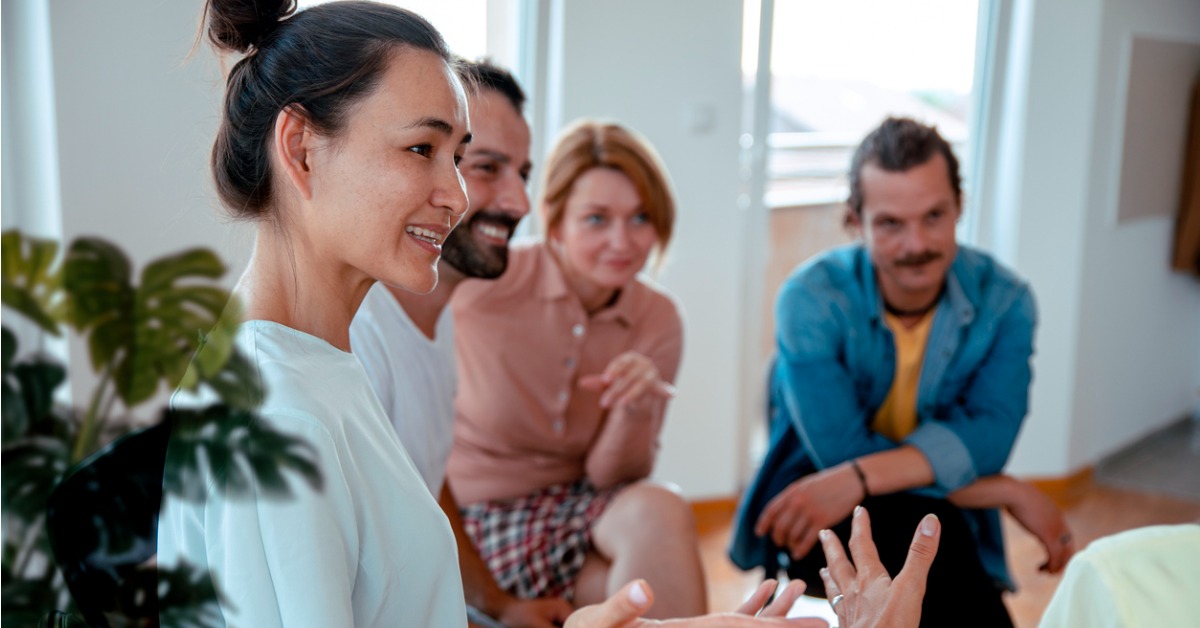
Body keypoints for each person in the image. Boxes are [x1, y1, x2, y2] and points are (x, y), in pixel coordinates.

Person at [152, 1, 941, 623]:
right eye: (423, 150)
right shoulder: (274, 415)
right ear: (300, 149)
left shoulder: (322, 365)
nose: (460, 196)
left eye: (462, 157)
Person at [729, 117, 1073, 627]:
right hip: (814, 504)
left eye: (934, 216)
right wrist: (1001, 490)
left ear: (960, 206)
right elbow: (840, 457)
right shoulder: (811, 299)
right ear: (855, 220)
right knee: (933, 545)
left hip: (917, 508)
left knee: (930, 544)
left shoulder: (1006, 302)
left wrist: (861, 476)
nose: (917, 244)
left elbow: (990, 441)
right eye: (891, 223)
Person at [446, 119, 706, 618]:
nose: (622, 241)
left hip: (581, 507)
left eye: (640, 218)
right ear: (554, 218)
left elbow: (614, 475)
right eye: (596, 219)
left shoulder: (659, 317)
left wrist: (631, 411)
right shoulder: (482, 286)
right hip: (481, 518)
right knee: (610, 593)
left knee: (659, 508)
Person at [349, 59, 578, 626]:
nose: (521, 203)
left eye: (523, 173)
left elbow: (425, 482)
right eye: (487, 167)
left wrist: (498, 606)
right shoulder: (356, 337)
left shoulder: (437, 311)